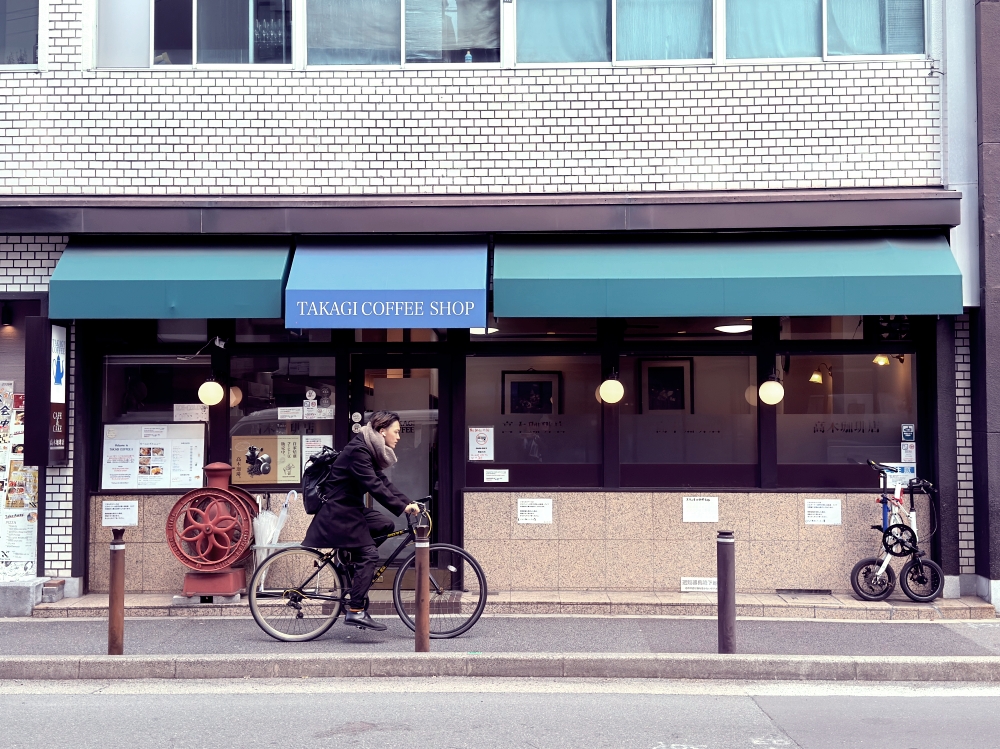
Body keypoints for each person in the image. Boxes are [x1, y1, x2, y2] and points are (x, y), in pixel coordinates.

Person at [302, 410, 420, 631]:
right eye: (396, 431)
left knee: (385, 525)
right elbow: (373, 486)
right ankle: (355, 610)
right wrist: (402, 506)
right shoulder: (359, 450)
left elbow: (382, 481)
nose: (399, 436)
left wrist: (408, 502)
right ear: (382, 431)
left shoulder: (367, 448)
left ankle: (350, 559)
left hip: (350, 509)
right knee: (370, 555)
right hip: (338, 512)